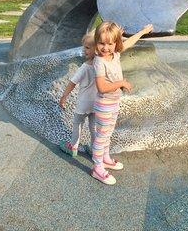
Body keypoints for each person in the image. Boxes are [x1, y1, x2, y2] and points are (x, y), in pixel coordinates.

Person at [91, 21, 153, 185]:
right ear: (96, 42)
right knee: (101, 137)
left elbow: (128, 43)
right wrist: (121, 83)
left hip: (114, 102)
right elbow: (102, 87)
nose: (106, 48)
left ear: (115, 43)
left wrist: (142, 31)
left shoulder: (115, 55)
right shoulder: (99, 61)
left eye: (110, 43)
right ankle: (97, 168)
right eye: (101, 43)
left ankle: (105, 158)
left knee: (108, 133)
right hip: (104, 104)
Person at [59, 32, 97, 157]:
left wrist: (64, 96)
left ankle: (73, 146)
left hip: (83, 104)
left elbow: (72, 83)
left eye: (87, 47)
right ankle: (94, 148)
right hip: (96, 103)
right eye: (83, 47)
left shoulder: (85, 67)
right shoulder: (100, 65)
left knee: (77, 123)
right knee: (93, 127)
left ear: (96, 49)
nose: (84, 50)